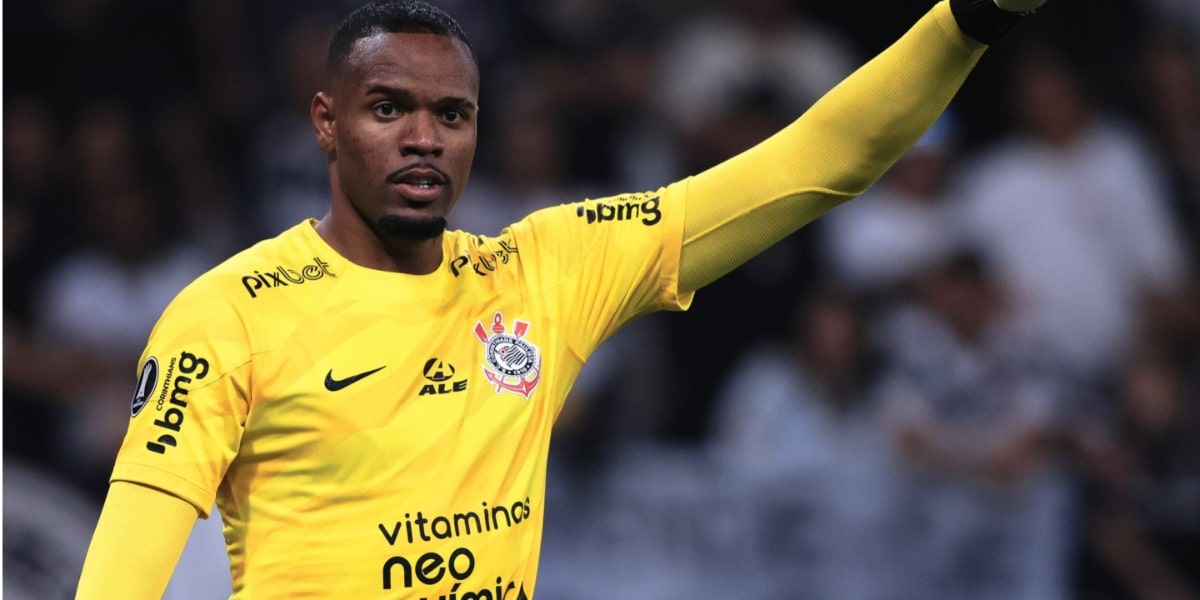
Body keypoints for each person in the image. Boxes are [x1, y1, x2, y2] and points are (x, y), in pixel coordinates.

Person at [74, 0, 1051, 597]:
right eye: (389, 109)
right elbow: (131, 547)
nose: (424, 137)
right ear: (327, 125)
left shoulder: (543, 270)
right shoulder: (231, 310)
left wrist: (968, 18)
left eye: (451, 115)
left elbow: (821, 159)